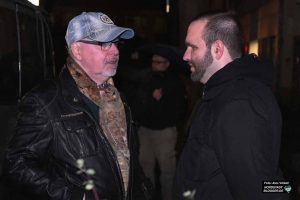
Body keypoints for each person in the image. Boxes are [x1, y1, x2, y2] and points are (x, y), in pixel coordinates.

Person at [3, 12, 153, 200]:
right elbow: (17, 164)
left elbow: (131, 165)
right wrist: (74, 196)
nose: (115, 50)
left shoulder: (118, 99)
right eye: (104, 43)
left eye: (116, 43)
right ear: (77, 50)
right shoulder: (45, 101)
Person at [173, 11, 288, 200]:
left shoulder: (239, 105)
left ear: (217, 49)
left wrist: (287, 189)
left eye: (192, 47)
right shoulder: (219, 92)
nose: (185, 56)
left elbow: (259, 189)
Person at [129, 49, 187, 200]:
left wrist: (160, 103)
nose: (154, 65)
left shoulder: (174, 82)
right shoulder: (146, 77)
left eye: (158, 62)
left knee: (167, 171)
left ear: (167, 64)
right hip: (145, 130)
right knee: (146, 169)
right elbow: (136, 103)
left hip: (165, 132)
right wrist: (150, 98)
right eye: (153, 61)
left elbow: (178, 108)